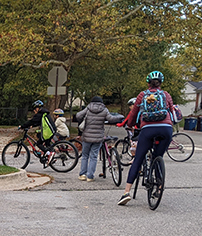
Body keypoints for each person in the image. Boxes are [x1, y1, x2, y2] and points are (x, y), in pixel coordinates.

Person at [118, 71, 175, 206]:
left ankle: (126, 193)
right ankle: (159, 187)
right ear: (161, 83)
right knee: (158, 156)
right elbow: (172, 111)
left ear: (148, 83)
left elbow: (133, 113)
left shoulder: (142, 95)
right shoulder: (166, 95)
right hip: (166, 128)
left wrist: (130, 125)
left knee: (138, 158)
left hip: (148, 129)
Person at [75, 96, 122, 181]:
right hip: (98, 137)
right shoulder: (104, 110)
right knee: (94, 156)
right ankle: (90, 176)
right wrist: (121, 117)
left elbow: (78, 116)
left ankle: (82, 175)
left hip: (86, 136)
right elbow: (111, 119)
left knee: (85, 155)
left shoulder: (88, 109)